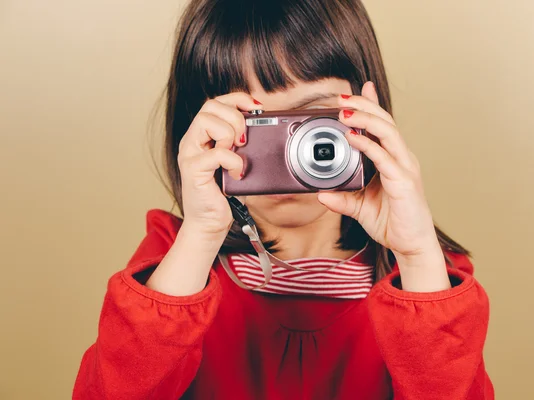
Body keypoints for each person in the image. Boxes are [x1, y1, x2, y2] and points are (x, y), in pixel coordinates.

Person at [73, 0, 494, 398]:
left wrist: (417, 255)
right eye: (249, 127)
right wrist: (200, 234)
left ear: (369, 113)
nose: (283, 156)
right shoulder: (171, 265)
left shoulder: (430, 280)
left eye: (313, 125)